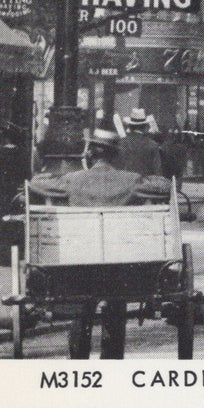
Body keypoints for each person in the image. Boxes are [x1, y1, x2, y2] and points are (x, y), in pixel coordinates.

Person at [51, 128, 144, 359]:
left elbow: (36, 185)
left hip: (81, 260)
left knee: (82, 308)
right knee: (116, 308)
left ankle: (79, 358)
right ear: (114, 156)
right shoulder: (131, 180)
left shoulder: (72, 180)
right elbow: (162, 187)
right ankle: (111, 359)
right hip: (119, 263)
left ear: (90, 154)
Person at [117, 108, 162, 176]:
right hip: (144, 185)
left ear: (130, 126)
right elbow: (157, 172)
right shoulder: (152, 145)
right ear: (145, 127)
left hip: (124, 183)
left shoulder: (121, 143)